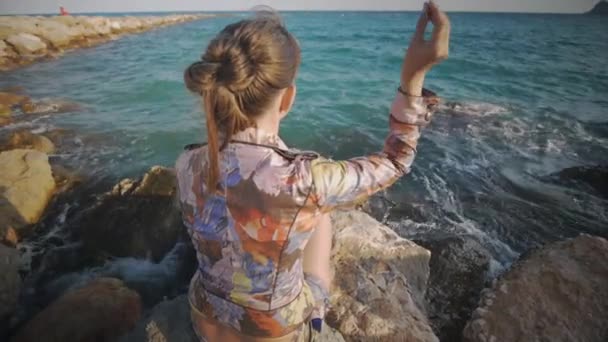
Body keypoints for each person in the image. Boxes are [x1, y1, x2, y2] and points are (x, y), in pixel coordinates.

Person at [176, 2, 450, 341]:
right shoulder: (305, 179)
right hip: (278, 333)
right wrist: (413, 77)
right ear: (288, 98)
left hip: (203, 318)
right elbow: (397, 161)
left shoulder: (185, 163)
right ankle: (316, 320)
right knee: (320, 215)